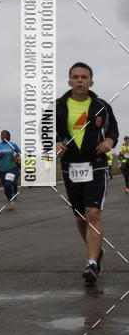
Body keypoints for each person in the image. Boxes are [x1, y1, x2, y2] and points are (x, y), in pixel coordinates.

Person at [56, 62, 118, 285]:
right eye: (76, 77)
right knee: (81, 217)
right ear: (69, 81)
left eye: (84, 77)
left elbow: (113, 129)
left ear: (91, 81)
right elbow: (44, 132)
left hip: (96, 163)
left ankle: (91, 263)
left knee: (93, 213)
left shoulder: (101, 106)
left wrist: (109, 141)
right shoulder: (57, 106)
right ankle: (97, 251)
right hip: (71, 165)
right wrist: (54, 144)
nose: (80, 80)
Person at [0, 130, 21, 210]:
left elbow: (19, 152)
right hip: (2, 169)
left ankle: (11, 201)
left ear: (8, 136)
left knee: (8, 184)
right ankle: (10, 200)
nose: (3, 136)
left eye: (5, 135)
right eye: (2, 135)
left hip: (12, 168)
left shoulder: (13, 144)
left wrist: (15, 157)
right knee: (5, 187)